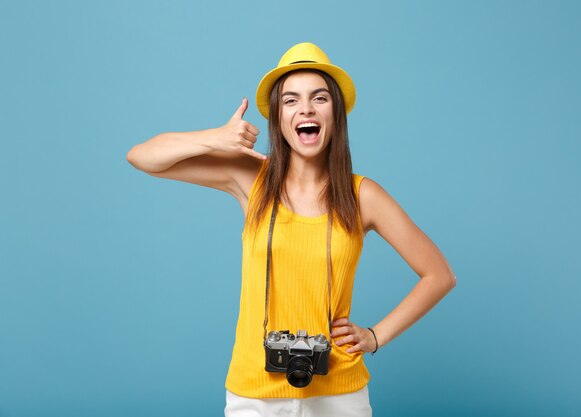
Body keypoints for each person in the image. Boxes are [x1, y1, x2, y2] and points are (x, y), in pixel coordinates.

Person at [126, 42, 456, 417]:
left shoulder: (363, 195)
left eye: (319, 99)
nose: (306, 110)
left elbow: (439, 275)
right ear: (279, 120)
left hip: (339, 393)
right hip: (255, 392)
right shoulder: (250, 178)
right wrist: (216, 138)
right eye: (291, 101)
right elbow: (142, 156)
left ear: (336, 114)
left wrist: (375, 336)